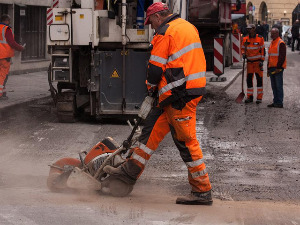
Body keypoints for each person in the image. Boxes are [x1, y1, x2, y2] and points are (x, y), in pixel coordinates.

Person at [104, 2, 212, 205]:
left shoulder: (165, 32)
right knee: (149, 135)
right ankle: (127, 175)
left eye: (150, 22)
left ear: (157, 17)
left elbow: (155, 69)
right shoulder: (187, 26)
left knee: (186, 143)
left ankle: (202, 191)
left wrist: (150, 89)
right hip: (177, 93)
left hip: (179, 95)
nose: (151, 26)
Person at [0, 14, 25, 100]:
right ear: (6, 20)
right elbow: (12, 43)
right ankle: (1, 95)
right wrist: (21, 48)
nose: (10, 22)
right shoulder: (6, 29)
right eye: (9, 20)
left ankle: (3, 94)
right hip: (4, 56)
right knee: (3, 76)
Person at [241, 24, 265, 104]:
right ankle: (250, 97)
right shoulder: (245, 39)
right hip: (249, 63)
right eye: (248, 29)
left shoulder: (260, 38)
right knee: (249, 80)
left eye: (250, 29)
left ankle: (259, 98)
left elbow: (263, 50)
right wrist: (243, 53)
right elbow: (243, 48)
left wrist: (262, 61)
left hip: (257, 63)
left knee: (259, 80)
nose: (248, 30)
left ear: (254, 29)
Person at [267, 28, 286, 108]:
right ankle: (275, 101)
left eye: (273, 33)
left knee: (278, 86)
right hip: (272, 67)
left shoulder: (280, 43)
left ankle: (279, 102)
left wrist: (279, 67)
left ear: (277, 34)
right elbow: (270, 56)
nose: (272, 35)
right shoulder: (272, 42)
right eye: (271, 33)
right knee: (274, 86)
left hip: (277, 68)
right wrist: (268, 67)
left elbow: (282, 56)